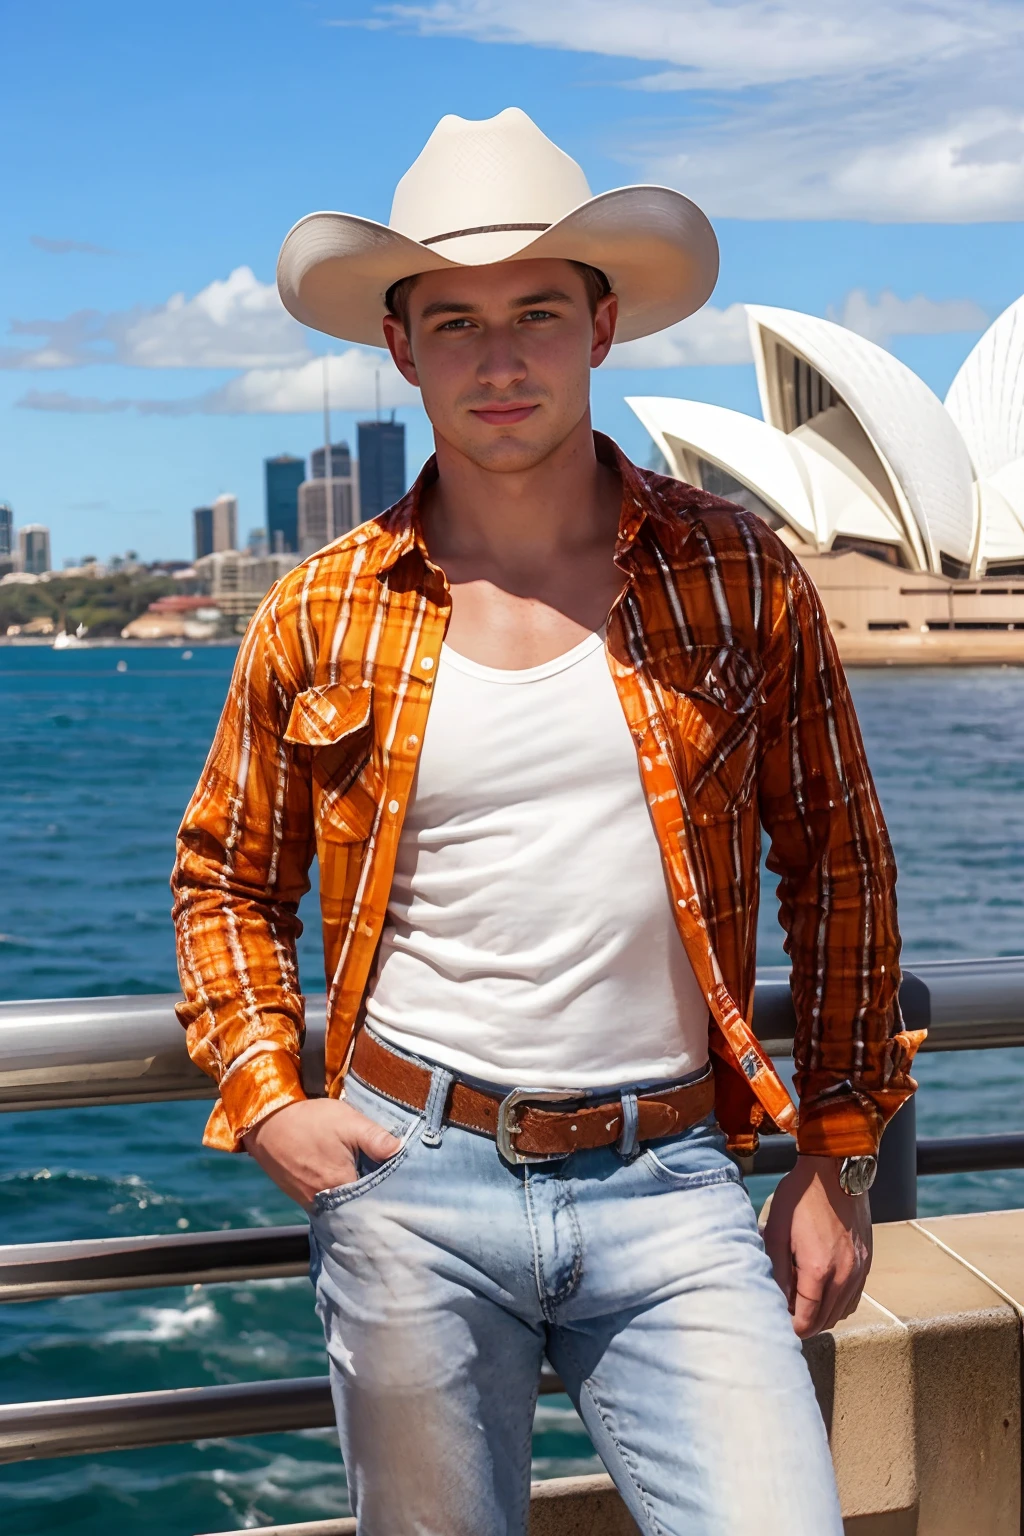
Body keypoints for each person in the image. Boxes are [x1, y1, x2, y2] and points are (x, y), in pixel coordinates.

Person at [172, 108, 923, 1536]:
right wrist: (272, 1102)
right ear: (400, 348)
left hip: (678, 1180)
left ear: (603, 325)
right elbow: (222, 876)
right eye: (454, 321)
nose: (498, 358)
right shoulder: (322, 606)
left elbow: (839, 865)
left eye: (535, 313)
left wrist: (834, 1155)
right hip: (411, 1180)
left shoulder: (735, 572)